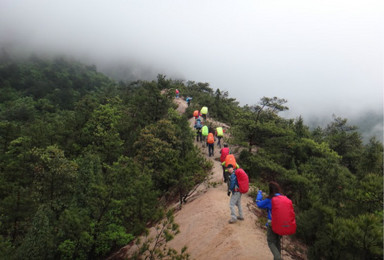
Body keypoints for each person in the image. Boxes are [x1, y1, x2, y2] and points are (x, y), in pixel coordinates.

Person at [255, 182, 283, 260]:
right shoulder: (283, 198)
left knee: (270, 241)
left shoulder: (270, 200)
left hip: (272, 224)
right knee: (277, 242)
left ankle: (278, 258)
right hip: (282, 224)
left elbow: (259, 204)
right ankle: (277, 257)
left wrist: (259, 194)